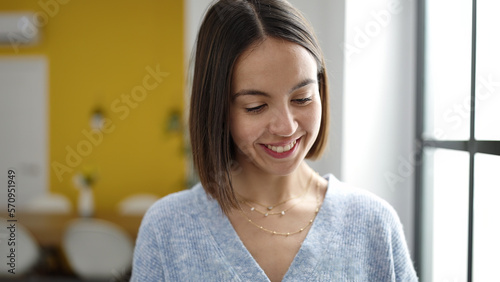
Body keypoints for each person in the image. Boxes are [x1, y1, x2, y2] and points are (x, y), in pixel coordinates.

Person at [131, 0, 418, 281]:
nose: (286, 126)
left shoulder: (373, 224)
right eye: (256, 106)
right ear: (216, 108)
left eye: (302, 98)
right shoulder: (168, 227)